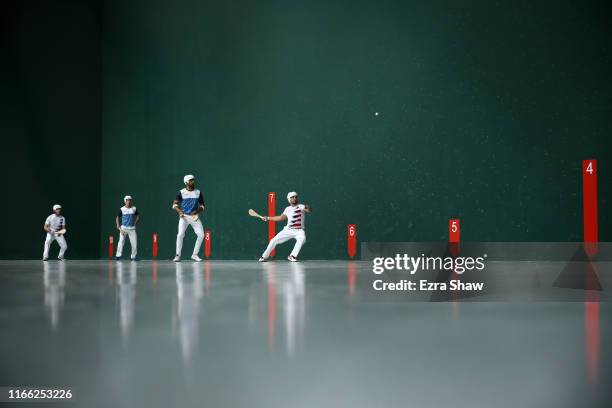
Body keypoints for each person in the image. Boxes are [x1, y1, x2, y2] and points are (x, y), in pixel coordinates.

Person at [259, 192, 311, 262]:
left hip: (299, 231)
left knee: (302, 239)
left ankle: (292, 256)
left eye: (296, 197)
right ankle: (264, 256)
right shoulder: (287, 209)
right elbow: (280, 218)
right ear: (289, 199)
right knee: (274, 240)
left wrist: (307, 207)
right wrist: (268, 218)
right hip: (288, 230)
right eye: (292, 197)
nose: (295, 198)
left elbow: (309, 210)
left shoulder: (301, 206)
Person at [172, 174, 205, 262]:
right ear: (186, 182)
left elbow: (202, 206)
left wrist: (197, 211)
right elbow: (174, 205)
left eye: (193, 180)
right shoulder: (181, 192)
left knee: (201, 235)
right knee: (180, 235)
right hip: (184, 217)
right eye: (191, 180)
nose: (193, 182)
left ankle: (194, 255)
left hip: (194, 217)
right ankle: (178, 255)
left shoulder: (198, 192)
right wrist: (180, 212)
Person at [115, 195, 139, 261]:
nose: (128, 201)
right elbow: (117, 217)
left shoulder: (134, 208)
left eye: (130, 200)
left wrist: (134, 223)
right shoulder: (121, 209)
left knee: (134, 243)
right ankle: (118, 255)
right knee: (121, 242)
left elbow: (137, 216)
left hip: (132, 229)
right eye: (127, 200)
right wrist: (119, 226)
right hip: (123, 229)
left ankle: (133, 257)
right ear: (125, 201)